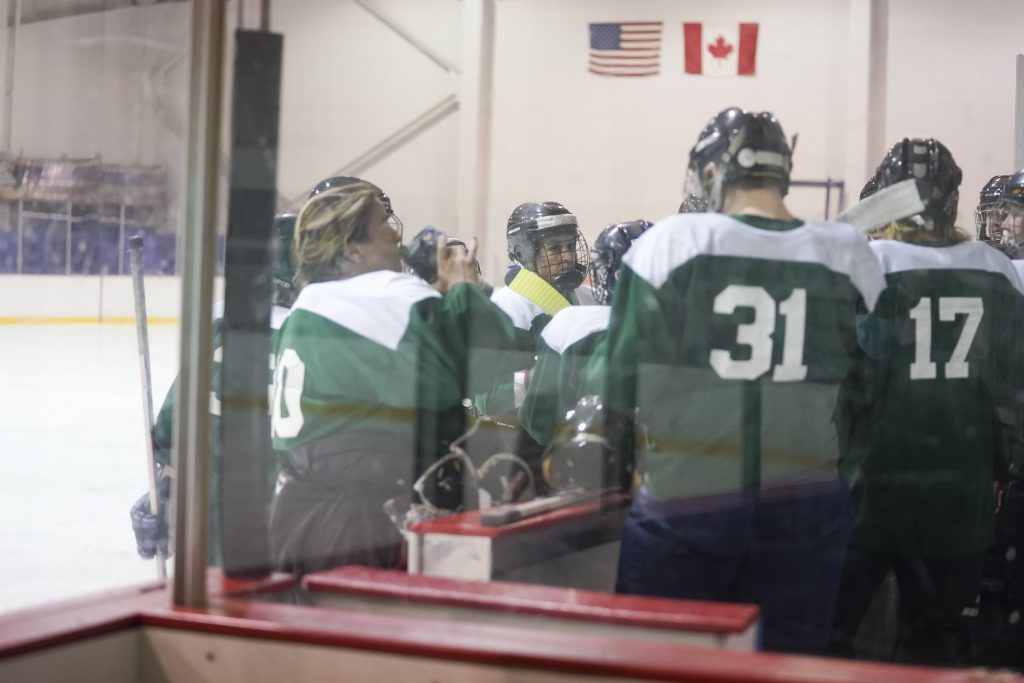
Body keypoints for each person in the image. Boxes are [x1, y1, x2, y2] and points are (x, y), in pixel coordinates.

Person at [603, 106, 887, 654]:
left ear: (713, 172)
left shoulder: (672, 243)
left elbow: (618, 383)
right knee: (784, 665)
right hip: (805, 498)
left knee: (659, 664)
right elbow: (870, 384)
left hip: (691, 494)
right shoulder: (847, 253)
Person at [830, 139, 1024, 665]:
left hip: (871, 490)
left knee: (833, 645)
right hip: (958, 498)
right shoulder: (995, 270)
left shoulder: (867, 263)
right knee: (931, 654)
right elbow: (1013, 394)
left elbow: (840, 381)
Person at [268, 180, 516, 575]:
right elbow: (486, 361)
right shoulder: (384, 293)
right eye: (383, 225)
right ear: (352, 250)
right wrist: (465, 289)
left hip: (299, 511)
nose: (397, 234)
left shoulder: (310, 305)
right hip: (361, 521)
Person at [130, 212, 298, 566]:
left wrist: (164, 494)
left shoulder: (220, 322)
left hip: (212, 542)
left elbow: (175, 439)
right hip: (288, 540)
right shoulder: (315, 331)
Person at [518, 220, 652, 450]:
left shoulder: (571, 323)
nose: (567, 256)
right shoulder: (687, 324)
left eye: (569, 246)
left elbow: (537, 421)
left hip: (587, 464)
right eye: (555, 249)